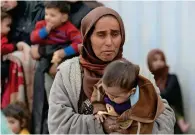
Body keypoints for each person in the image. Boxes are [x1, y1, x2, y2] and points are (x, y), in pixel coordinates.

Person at [48, 7, 175, 134]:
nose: (109, 42)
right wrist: (100, 125)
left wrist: (134, 125)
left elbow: (165, 116)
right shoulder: (68, 74)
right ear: (88, 38)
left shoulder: (136, 74)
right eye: (101, 35)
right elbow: (58, 124)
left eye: (115, 34)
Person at [91, 60, 165, 134]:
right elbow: (98, 90)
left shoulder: (143, 106)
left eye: (115, 96)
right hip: (114, 111)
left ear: (132, 91)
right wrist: (99, 110)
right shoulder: (109, 84)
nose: (109, 96)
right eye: (106, 92)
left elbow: (141, 129)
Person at [30, 1, 82, 76]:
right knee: (40, 69)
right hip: (45, 53)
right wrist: (45, 30)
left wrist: (64, 52)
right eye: (46, 14)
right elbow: (33, 38)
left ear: (64, 18)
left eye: (52, 15)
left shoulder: (69, 28)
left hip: (61, 54)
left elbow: (79, 43)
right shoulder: (41, 24)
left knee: (57, 70)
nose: (47, 18)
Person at [147, 49, 190, 133]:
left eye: (161, 59)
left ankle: (181, 121)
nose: (159, 62)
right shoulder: (147, 79)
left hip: (172, 114)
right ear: (150, 62)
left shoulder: (172, 78)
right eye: (155, 60)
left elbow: (167, 95)